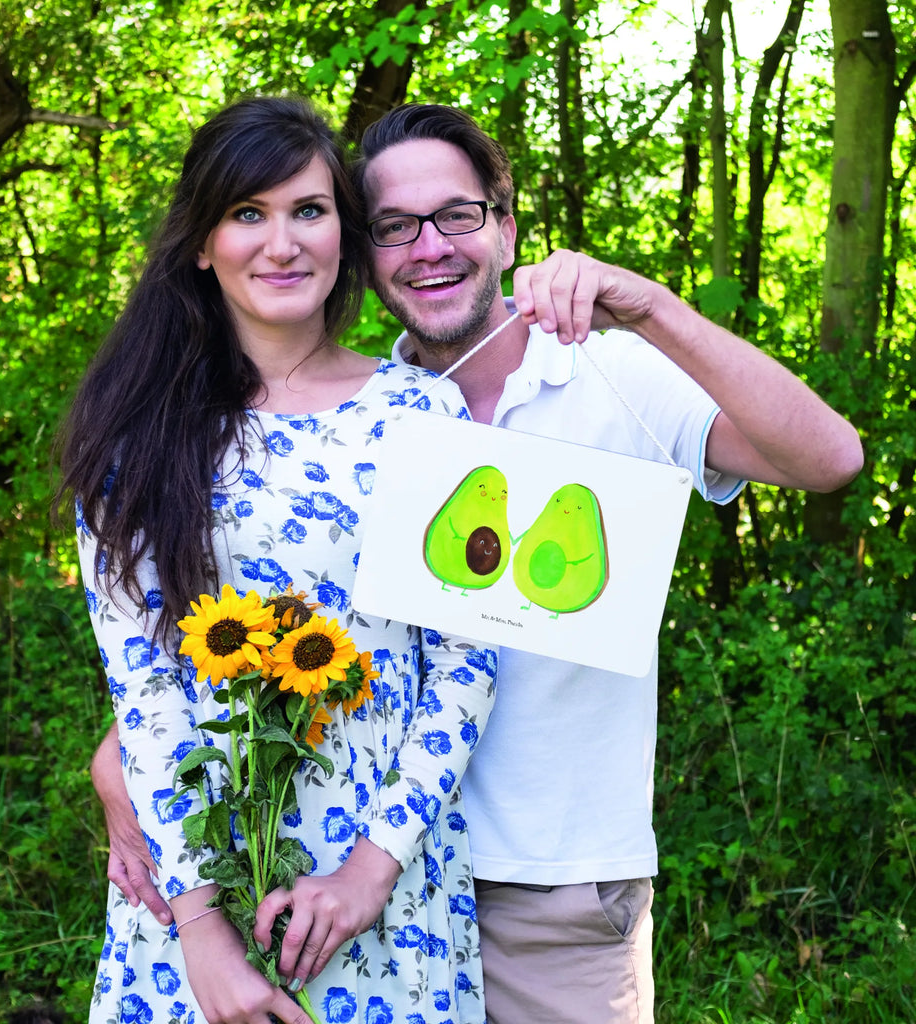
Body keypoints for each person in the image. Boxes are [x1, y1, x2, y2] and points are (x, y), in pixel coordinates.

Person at [94, 102, 864, 1024]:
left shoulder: (603, 373)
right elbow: (221, 634)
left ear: (504, 225)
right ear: (366, 251)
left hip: (544, 888)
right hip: (312, 876)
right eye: (394, 226)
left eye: (457, 215)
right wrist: (128, 770)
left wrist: (652, 306)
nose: (428, 247)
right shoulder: (354, 417)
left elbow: (830, 461)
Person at [58, 97, 500, 1024]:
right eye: (247, 214)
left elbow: (467, 661)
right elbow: (144, 692)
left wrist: (370, 872)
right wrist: (204, 937)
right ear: (201, 244)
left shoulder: (424, 415)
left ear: (344, 229)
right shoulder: (135, 438)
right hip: (195, 888)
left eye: (308, 210)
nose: (282, 242)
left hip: (384, 889)